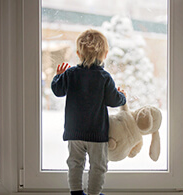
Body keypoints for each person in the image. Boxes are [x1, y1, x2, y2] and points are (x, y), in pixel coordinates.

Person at [51, 29, 126, 195]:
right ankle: (94, 193)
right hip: (96, 133)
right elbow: (113, 101)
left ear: (78, 53)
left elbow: (58, 90)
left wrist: (58, 76)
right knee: (98, 166)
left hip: (74, 132)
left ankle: (76, 192)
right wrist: (122, 97)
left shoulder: (70, 74)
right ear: (105, 54)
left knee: (75, 163)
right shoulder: (104, 77)